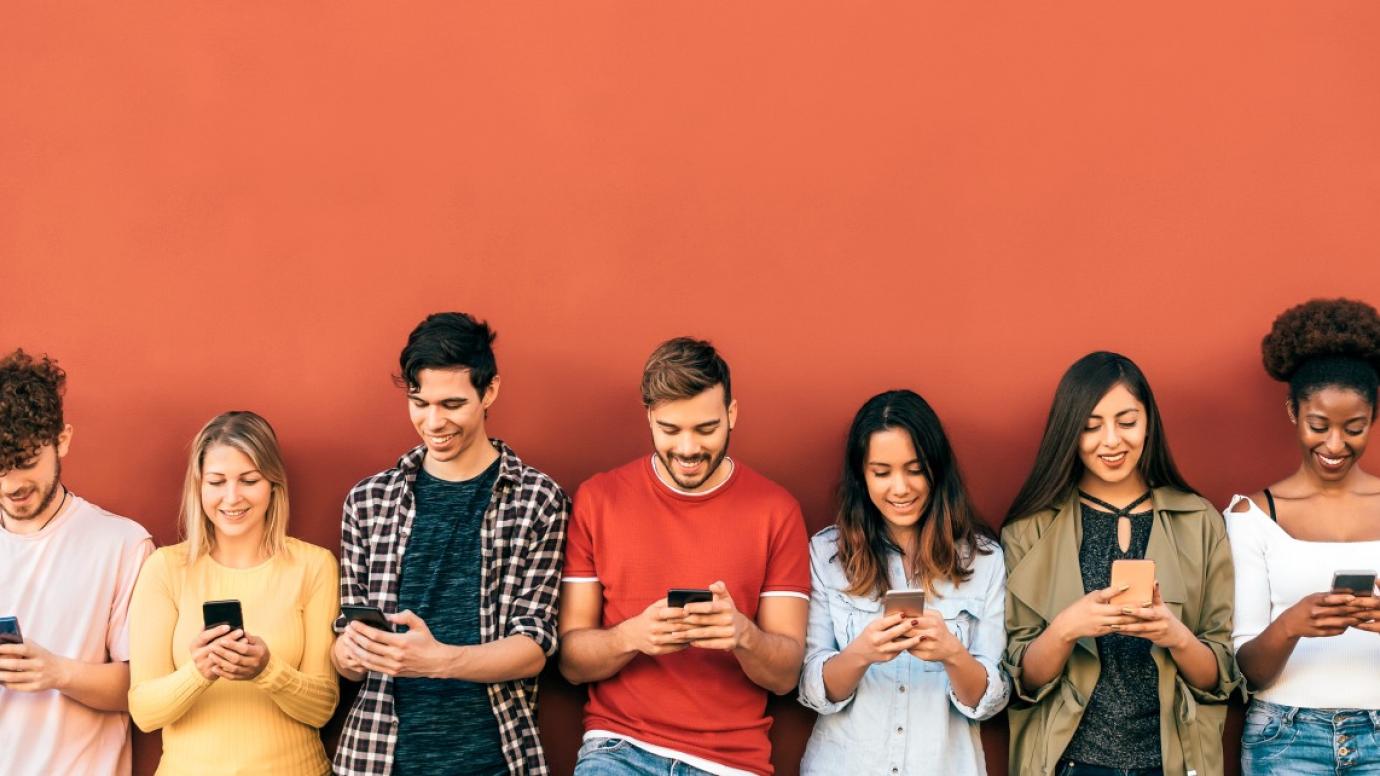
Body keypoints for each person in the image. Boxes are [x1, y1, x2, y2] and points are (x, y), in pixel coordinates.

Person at [558, 336, 811, 776]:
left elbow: (786, 676)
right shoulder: (599, 499)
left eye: (706, 429)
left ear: (732, 414)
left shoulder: (777, 511)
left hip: (732, 763)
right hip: (619, 749)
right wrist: (632, 636)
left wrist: (743, 635)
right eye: (671, 430)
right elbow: (571, 663)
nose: (689, 449)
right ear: (650, 417)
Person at [331, 312, 570, 776]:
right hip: (377, 759)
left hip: (495, 757)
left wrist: (437, 660)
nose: (433, 421)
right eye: (420, 402)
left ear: (490, 392)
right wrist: (348, 652)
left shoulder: (539, 499)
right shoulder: (367, 500)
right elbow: (346, 652)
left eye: (452, 404)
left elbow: (535, 645)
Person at [1002, 352, 1238, 776]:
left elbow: (1217, 679)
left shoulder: (1199, 521)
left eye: (1127, 422)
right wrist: (1066, 629)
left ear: (1149, 422)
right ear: (1068, 432)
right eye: (1091, 426)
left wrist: (1176, 636)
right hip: (1069, 762)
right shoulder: (1030, 530)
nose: (1111, 441)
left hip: (1172, 762)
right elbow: (1025, 682)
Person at [797, 389, 1009, 775]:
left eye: (915, 470)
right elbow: (814, 690)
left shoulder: (984, 560)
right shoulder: (827, 553)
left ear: (937, 468)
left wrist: (952, 653)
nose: (900, 488)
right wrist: (862, 652)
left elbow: (989, 701)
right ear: (862, 475)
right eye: (882, 472)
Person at [127, 411, 339, 775]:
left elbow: (322, 708)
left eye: (248, 480)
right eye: (217, 481)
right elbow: (145, 713)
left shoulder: (315, 566)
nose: (231, 496)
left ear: (273, 485)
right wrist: (199, 672)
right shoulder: (165, 569)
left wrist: (266, 669)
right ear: (199, 487)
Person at [1228, 298, 1380, 775]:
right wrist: (1292, 624)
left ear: (1373, 419)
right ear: (1293, 411)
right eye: (1319, 426)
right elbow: (1247, 672)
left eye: (1354, 429)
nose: (1335, 446)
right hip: (1285, 737)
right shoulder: (1251, 516)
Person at [0, 349, 154, 776]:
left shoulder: (122, 544)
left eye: (26, 463)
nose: (11, 485)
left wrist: (57, 673)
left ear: (62, 439)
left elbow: (141, 689)